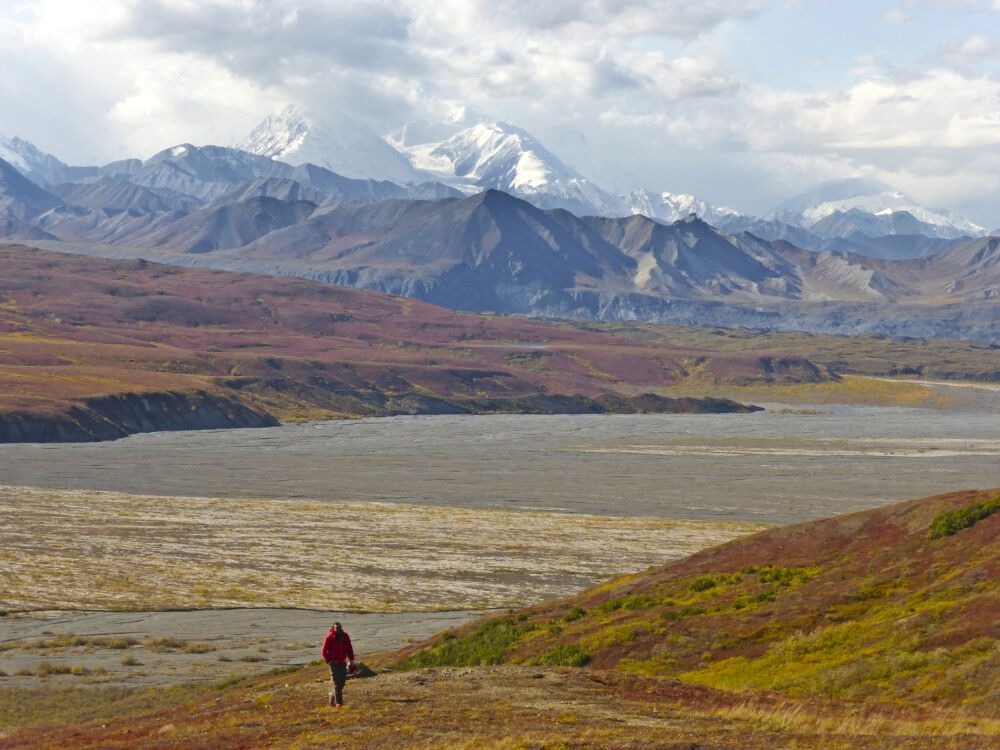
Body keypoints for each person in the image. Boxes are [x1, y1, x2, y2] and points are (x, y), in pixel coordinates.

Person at [321, 621, 356, 707]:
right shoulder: (329, 637)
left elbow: (349, 648)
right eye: (336, 628)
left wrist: (351, 660)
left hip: (342, 662)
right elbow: (323, 651)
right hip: (334, 663)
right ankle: (339, 703)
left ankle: (332, 695)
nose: (338, 629)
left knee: (342, 682)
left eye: (339, 628)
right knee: (337, 683)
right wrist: (329, 661)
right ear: (333, 628)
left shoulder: (345, 636)